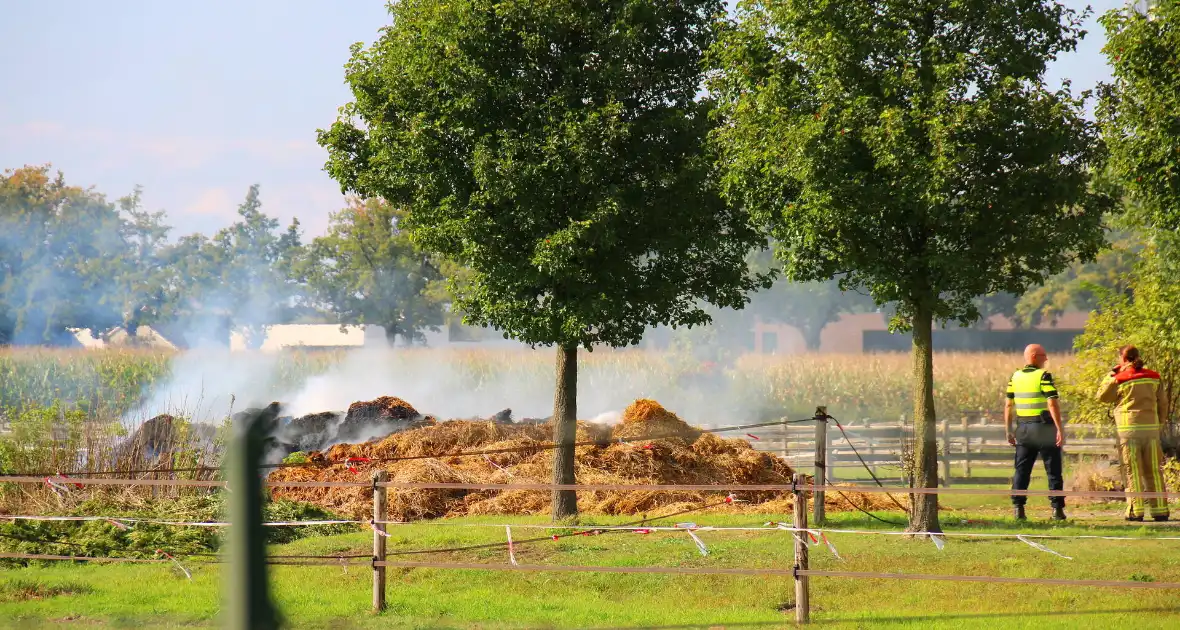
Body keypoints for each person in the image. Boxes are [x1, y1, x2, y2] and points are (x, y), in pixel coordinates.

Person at [1097, 345, 1170, 522]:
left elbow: (1102, 397)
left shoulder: (1119, 378)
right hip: (1151, 430)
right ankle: (1160, 510)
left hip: (1128, 431)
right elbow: (1163, 403)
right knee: (1154, 469)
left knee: (1132, 470)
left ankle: (1135, 511)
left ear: (1122, 359)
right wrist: (1159, 423)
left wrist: (1111, 376)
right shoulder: (1154, 376)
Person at [1005, 344, 1066, 521]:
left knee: (1021, 470)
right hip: (1044, 427)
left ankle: (1018, 509)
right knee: (1053, 469)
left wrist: (1009, 430)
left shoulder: (1014, 377)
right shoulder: (1044, 376)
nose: (1046, 359)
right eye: (1043, 356)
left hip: (1023, 429)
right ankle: (1057, 510)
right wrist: (1060, 429)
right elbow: (1052, 403)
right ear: (1033, 356)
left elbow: (1008, 405)